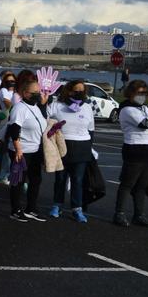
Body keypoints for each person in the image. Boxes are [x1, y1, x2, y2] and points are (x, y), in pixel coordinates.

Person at [113, 80, 148, 227]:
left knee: (142, 185)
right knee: (128, 184)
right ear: (131, 93)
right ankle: (119, 213)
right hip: (135, 150)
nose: (142, 96)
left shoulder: (143, 108)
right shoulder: (127, 109)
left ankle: (139, 214)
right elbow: (146, 124)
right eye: (139, 93)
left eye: (144, 94)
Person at [47, 80, 95, 223]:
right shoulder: (57, 105)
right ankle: (57, 205)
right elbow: (45, 119)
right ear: (68, 91)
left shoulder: (87, 107)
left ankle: (77, 209)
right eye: (75, 90)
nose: (78, 93)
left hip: (82, 147)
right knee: (60, 178)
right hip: (62, 146)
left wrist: (90, 148)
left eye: (81, 90)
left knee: (78, 180)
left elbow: (91, 129)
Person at [6, 76, 48, 222]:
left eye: (38, 91)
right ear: (24, 93)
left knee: (36, 179)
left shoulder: (35, 106)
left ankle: (31, 208)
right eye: (34, 92)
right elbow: (14, 129)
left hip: (35, 150)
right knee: (18, 180)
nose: (38, 94)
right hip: (22, 150)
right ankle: (15, 209)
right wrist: (18, 150)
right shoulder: (19, 108)